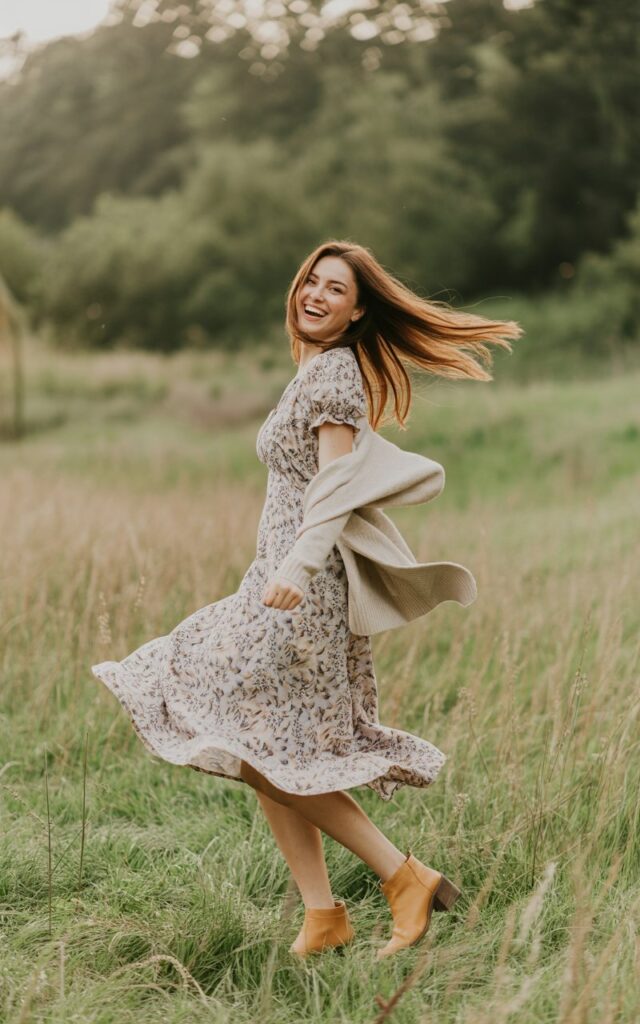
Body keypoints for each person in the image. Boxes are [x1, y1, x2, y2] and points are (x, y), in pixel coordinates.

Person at [92, 239, 522, 960]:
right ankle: (323, 917)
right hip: (279, 580)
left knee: (249, 730)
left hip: (300, 591)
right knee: (264, 742)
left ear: (357, 310)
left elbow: (336, 485)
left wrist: (295, 563)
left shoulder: (331, 378)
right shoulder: (317, 369)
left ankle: (402, 875)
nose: (316, 296)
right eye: (311, 283)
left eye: (335, 289)